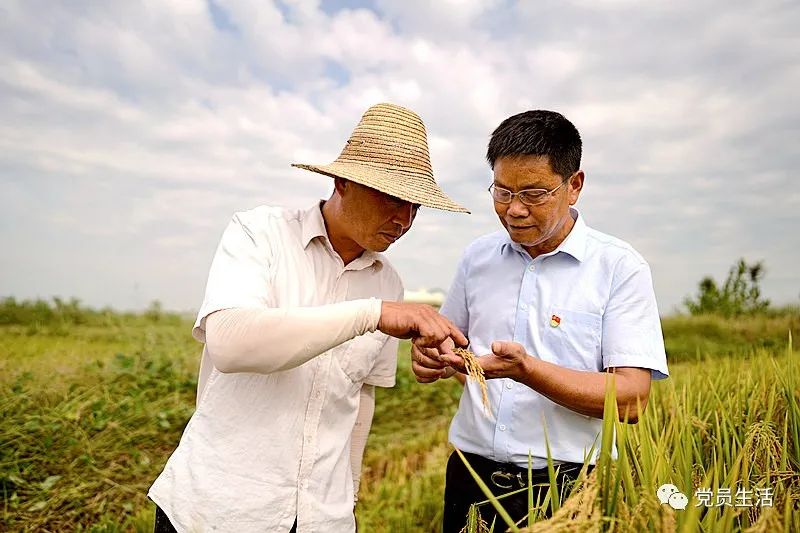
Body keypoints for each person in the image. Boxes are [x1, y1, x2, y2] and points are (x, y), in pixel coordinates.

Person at [148, 102, 469, 533]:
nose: (404, 220)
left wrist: (349, 496)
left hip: (323, 517)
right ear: (343, 181)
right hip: (220, 510)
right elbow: (228, 343)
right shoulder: (259, 235)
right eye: (393, 198)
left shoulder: (387, 282)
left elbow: (360, 399)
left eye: (415, 206)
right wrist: (370, 314)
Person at [410, 110, 669, 531]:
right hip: (471, 479)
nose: (514, 210)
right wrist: (437, 359)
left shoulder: (619, 268)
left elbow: (631, 398)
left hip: (571, 490)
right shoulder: (477, 258)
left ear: (574, 186)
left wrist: (527, 371)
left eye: (533, 194)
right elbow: (454, 344)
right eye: (502, 191)